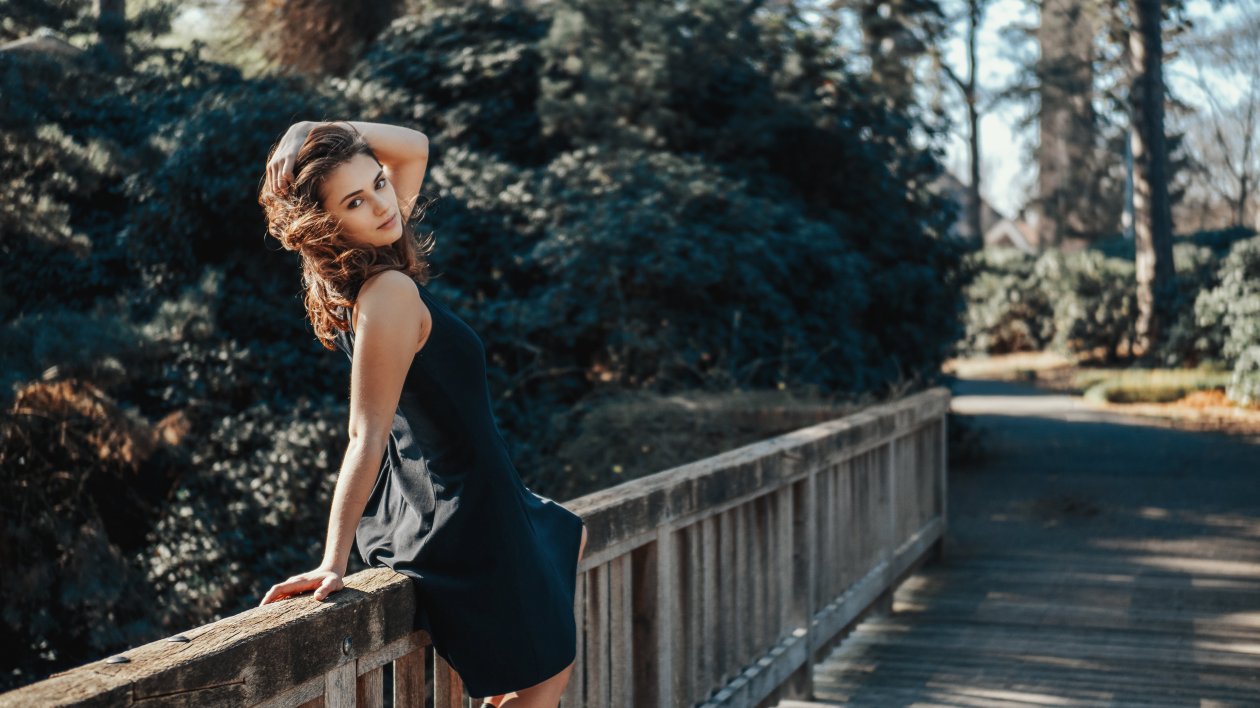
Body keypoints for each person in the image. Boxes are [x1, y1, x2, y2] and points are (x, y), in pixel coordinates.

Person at [254, 120, 588, 708]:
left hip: (485, 496)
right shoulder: (387, 293)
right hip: (464, 513)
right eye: (355, 201)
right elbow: (366, 432)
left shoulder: (380, 261)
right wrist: (333, 559)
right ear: (329, 225)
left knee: (567, 534)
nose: (383, 204)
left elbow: (414, 147)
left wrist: (308, 130)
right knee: (550, 672)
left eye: (379, 184)